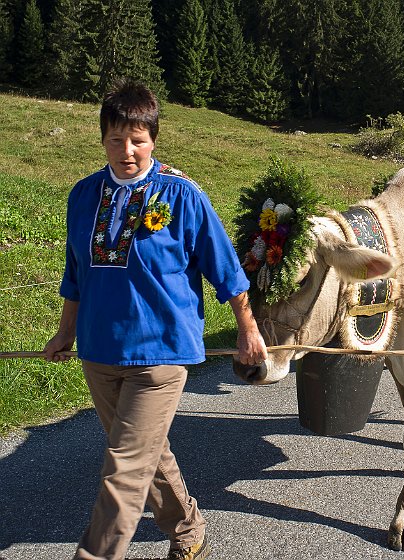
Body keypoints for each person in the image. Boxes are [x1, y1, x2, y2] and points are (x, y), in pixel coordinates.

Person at [43, 79, 268, 560]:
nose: (128, 150)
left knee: (123, 467)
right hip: (99, 350)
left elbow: (226, 269)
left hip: (161, 353)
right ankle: (188, 529)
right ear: (102, 139)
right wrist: (65, 332)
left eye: (138, 139)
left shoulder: (183, 196)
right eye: (117, 138)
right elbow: (75, 274)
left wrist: (248, 329)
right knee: (146, 454)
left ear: (153, 139)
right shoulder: (83, 196)